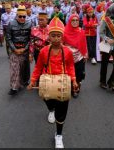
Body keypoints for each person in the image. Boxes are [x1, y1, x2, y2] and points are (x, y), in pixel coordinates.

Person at [28, 17, 78, 149]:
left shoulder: (67, 51)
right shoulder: (44, 51)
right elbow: (38, 67)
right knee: (47, 100)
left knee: (61, 110)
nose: (56, 38)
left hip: (62, 84)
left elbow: (71, 67)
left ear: (62, 37)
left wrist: (73, 80)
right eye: (53, 36)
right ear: (49, 37)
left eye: (58, 36)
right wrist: (33, 81)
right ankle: (51, 109)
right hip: (47, 84)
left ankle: (59, 135)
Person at [6, 6, 32, 95]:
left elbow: (31, 39)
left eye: (24, 16)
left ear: (26, 16)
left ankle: (25, 81)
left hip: (25, 49)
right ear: (16, 16)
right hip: (14, 50)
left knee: (25, 67)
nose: (22, 18)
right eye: (20, 16)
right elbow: (8, 38)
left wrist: (25, 48)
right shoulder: (11, 24)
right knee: (15, 68)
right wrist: (14, 49)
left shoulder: (29, 24)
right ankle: (14, 87)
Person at [64, 14, 88, 98]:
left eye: (76, 20)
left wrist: (85, 55)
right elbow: (62, 45)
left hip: (79, 57)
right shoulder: (65, 31)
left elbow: (84, 43)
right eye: (73, 20)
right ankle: (69, 87)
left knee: (79, 74)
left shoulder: (81, 31)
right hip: (68, 57)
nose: (74, 22)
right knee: (68, 74)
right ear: (69, 21)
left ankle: (76, 89)